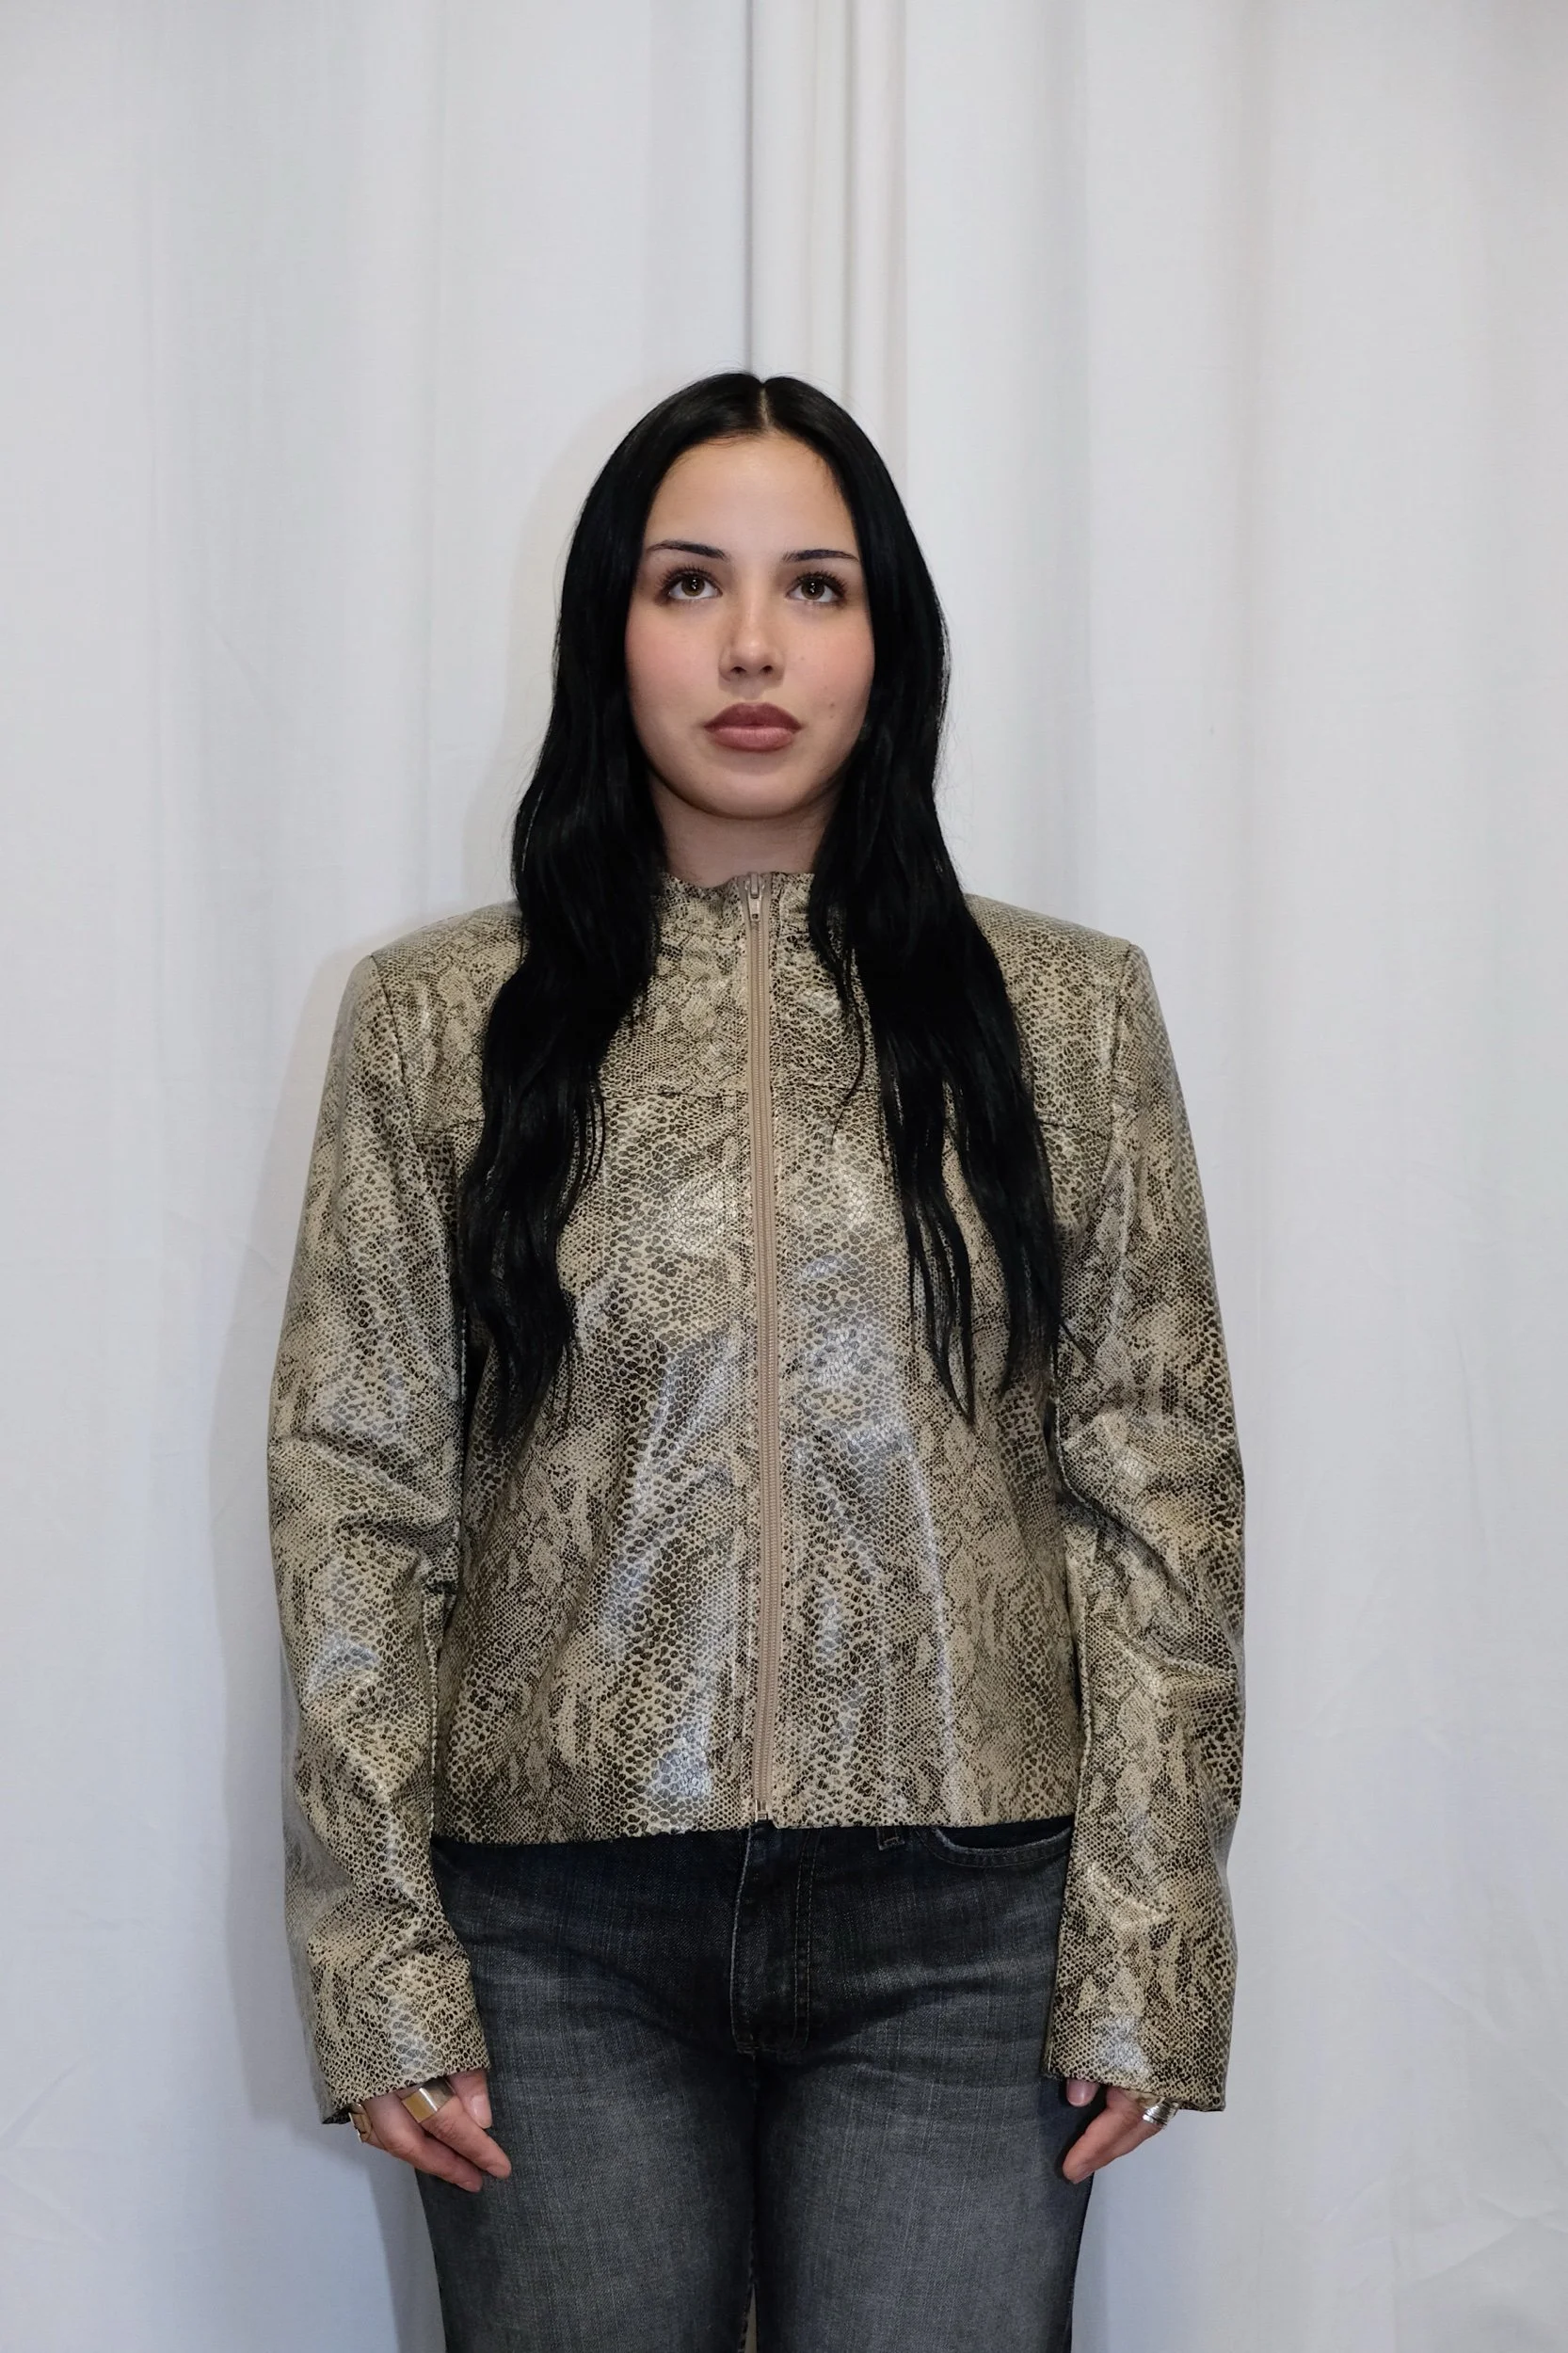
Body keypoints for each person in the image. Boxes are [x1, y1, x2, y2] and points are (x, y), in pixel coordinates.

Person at [267, 372, 1244, 2352]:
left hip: (966, 1927)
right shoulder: (436, 1018)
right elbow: (356, 1490)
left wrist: (1146, 1932)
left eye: (814, 586)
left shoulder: (1063, 1013)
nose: (748, 647)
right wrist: (379, 1952)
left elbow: (1156, 1488)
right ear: (606, 630)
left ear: (888, 637)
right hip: (551, 1933)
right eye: (686, 582)